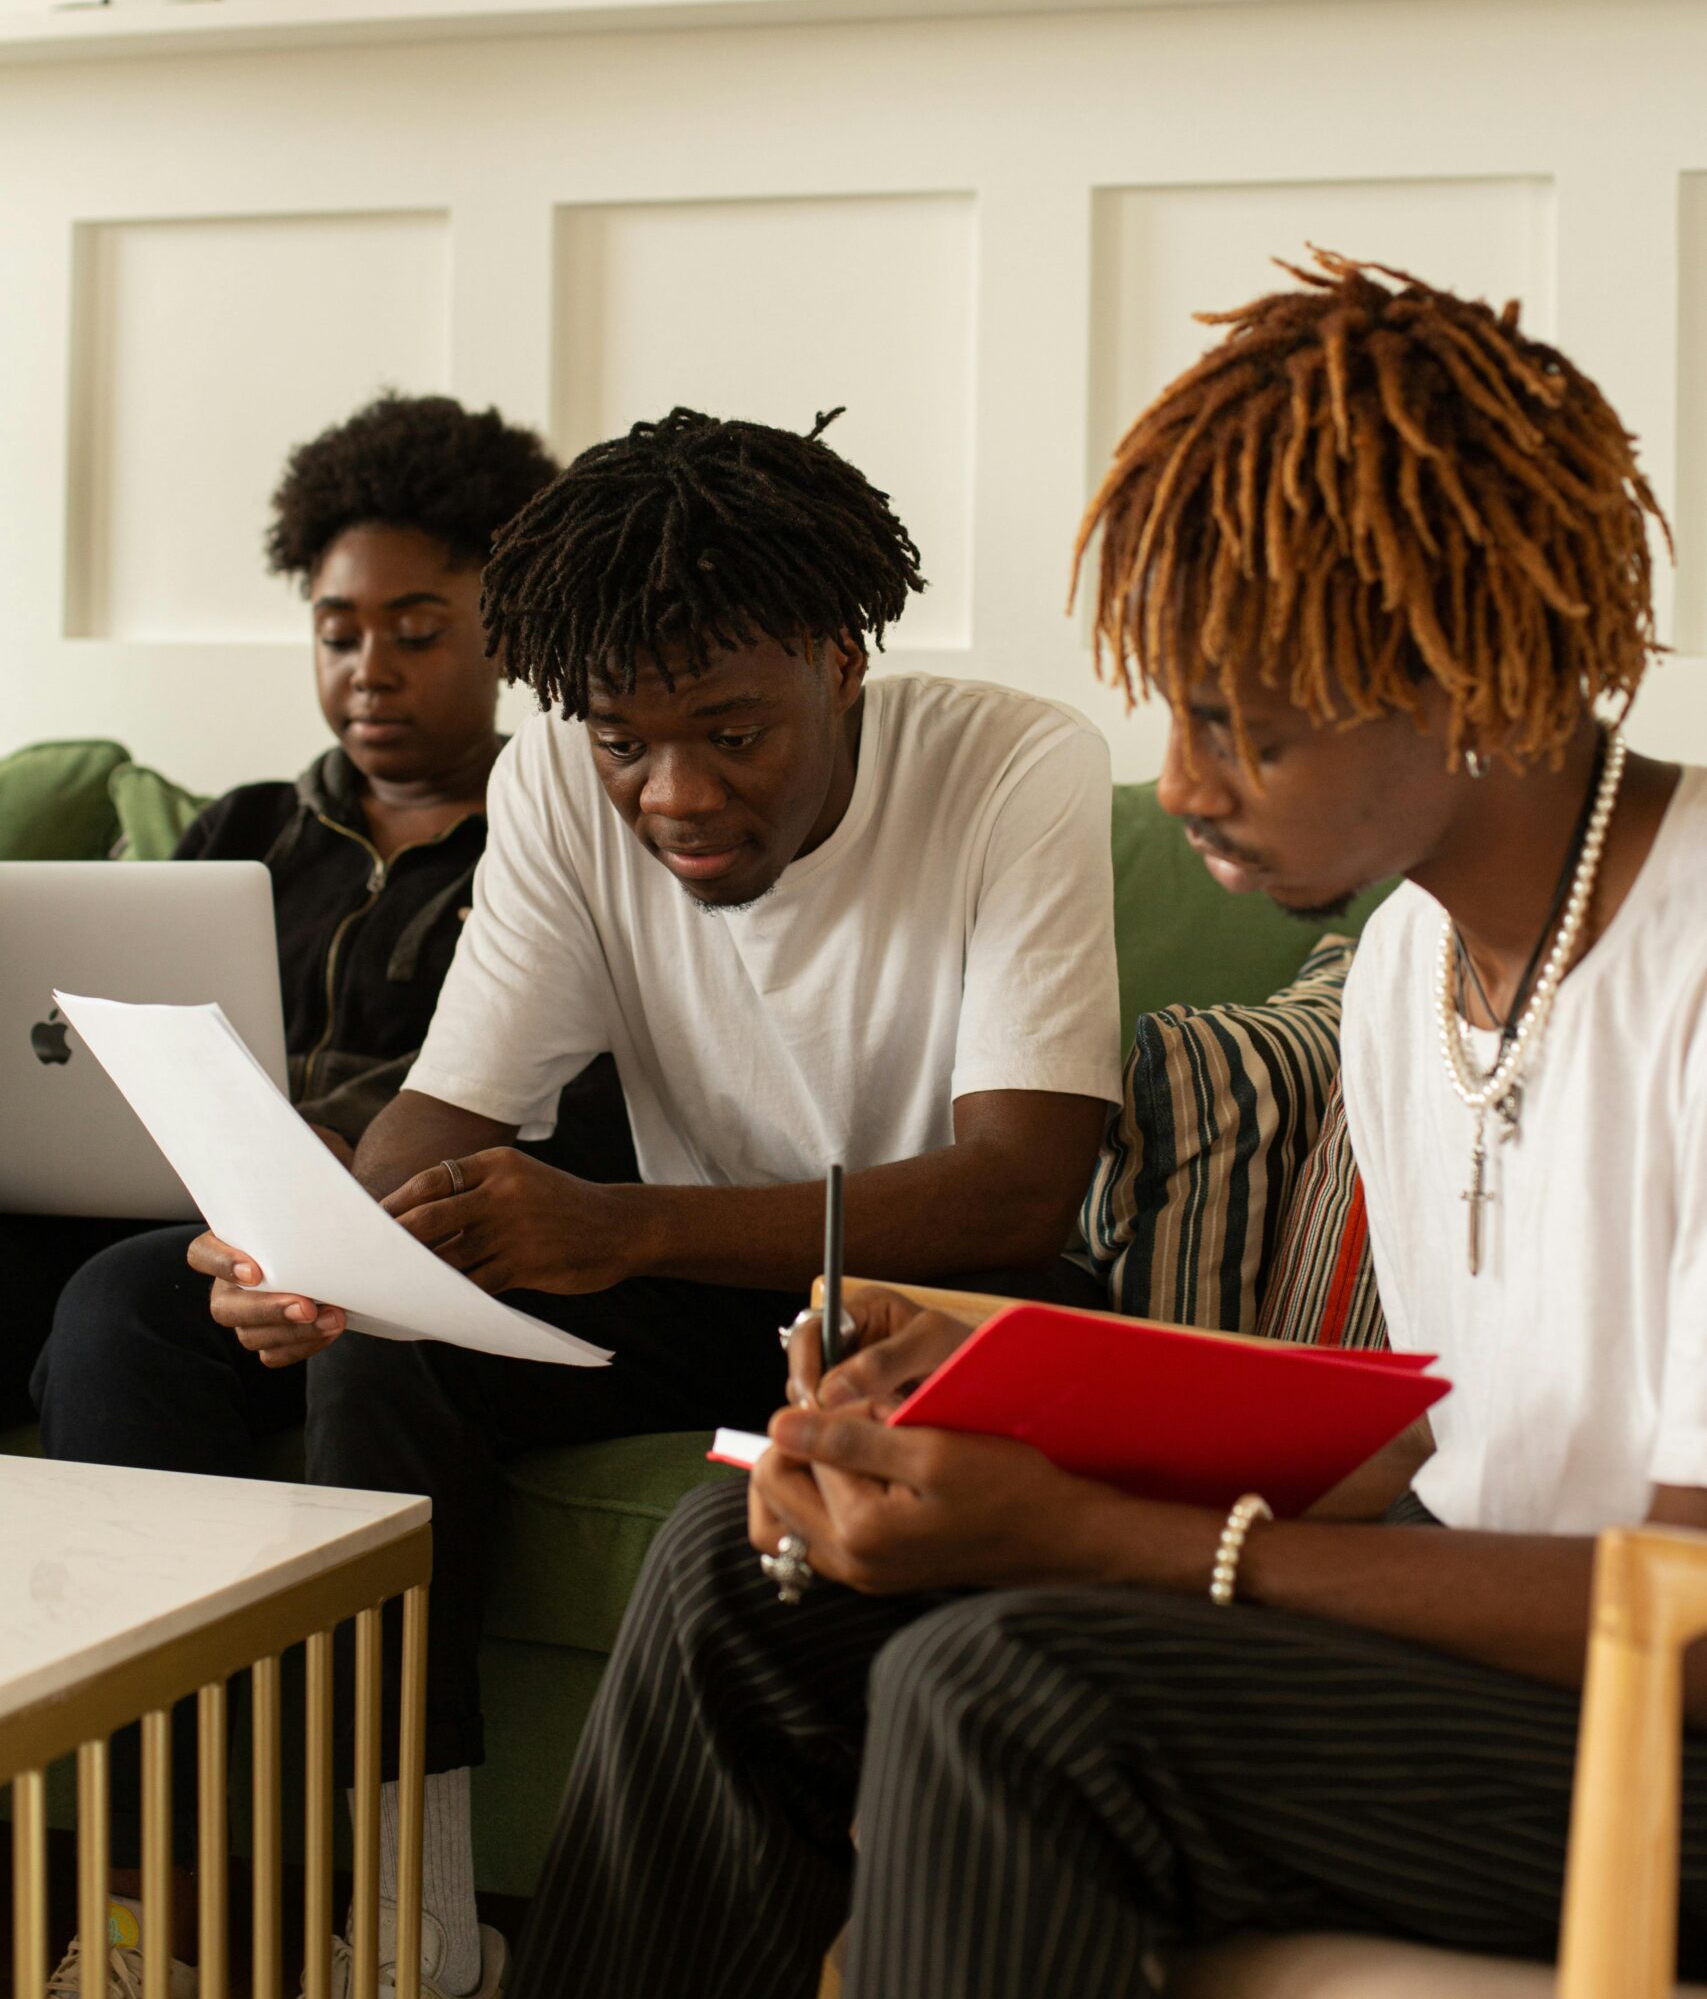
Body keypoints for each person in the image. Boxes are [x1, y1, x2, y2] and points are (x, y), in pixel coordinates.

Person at [511, 256, 1707, 1999]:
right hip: (1540, 1666)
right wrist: (987, 1383)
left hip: (1668, 1725)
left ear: (1479, 683)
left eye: (1245, 727)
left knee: (1006, 1688)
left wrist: (1099, 1541)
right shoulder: (1401, 968)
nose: (1182, 784)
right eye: (1178, 708)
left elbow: (1688, 1612)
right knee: (752, 1554)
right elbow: (1441, 1462)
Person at [194, 402, 1126, 1999]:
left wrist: (624, 1228)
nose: (674, 794)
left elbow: (1018, 1191)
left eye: (731, 733)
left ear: (839, 658)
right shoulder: (563, 770)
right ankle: (409, 1928)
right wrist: (317, 1241)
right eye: (629, 741)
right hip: (722, 1297)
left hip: (969, 1310)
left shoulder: (1010, 761)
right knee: (378, 1335)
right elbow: (454, 1102)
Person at [32, 391, 630, 1999]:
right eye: (340, 628)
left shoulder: (566, 838)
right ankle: (128, 1869)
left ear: (504, 632)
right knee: (79, 1278)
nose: (371, 667)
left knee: (127, 1311)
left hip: (393, 1230)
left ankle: (293, 1887)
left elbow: (553, 1113)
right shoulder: (242, 837)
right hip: (187, 1216)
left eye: (419, 630)